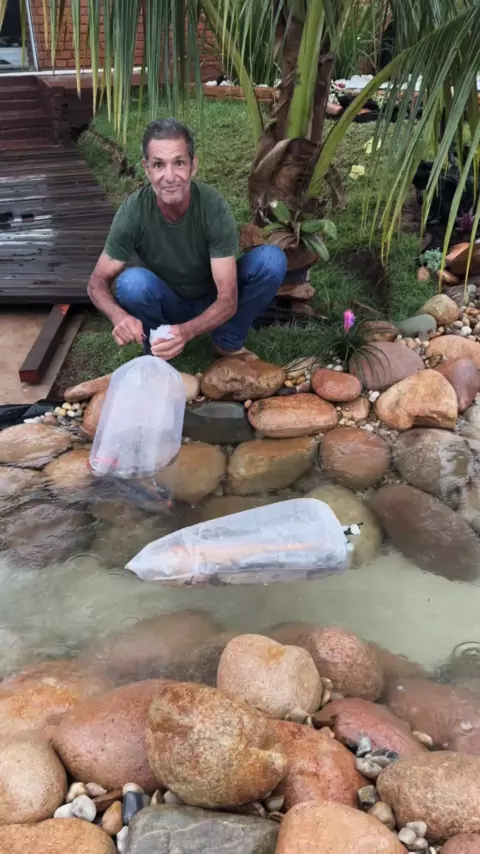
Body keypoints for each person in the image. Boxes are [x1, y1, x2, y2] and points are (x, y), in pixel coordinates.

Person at [87, 117, 287, 361]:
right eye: (159, 165)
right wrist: (119, 316)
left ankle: (228, 341)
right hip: (168, 301)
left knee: (271, 260)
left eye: (179, 163)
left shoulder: (213, 208)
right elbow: (97, 282)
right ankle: (159, 347)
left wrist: (186, 332)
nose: (169, 176)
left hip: (212, 298)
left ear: (193, 166)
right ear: (146, 168)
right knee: (131, 284)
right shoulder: (133, 212)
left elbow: (227, 298)